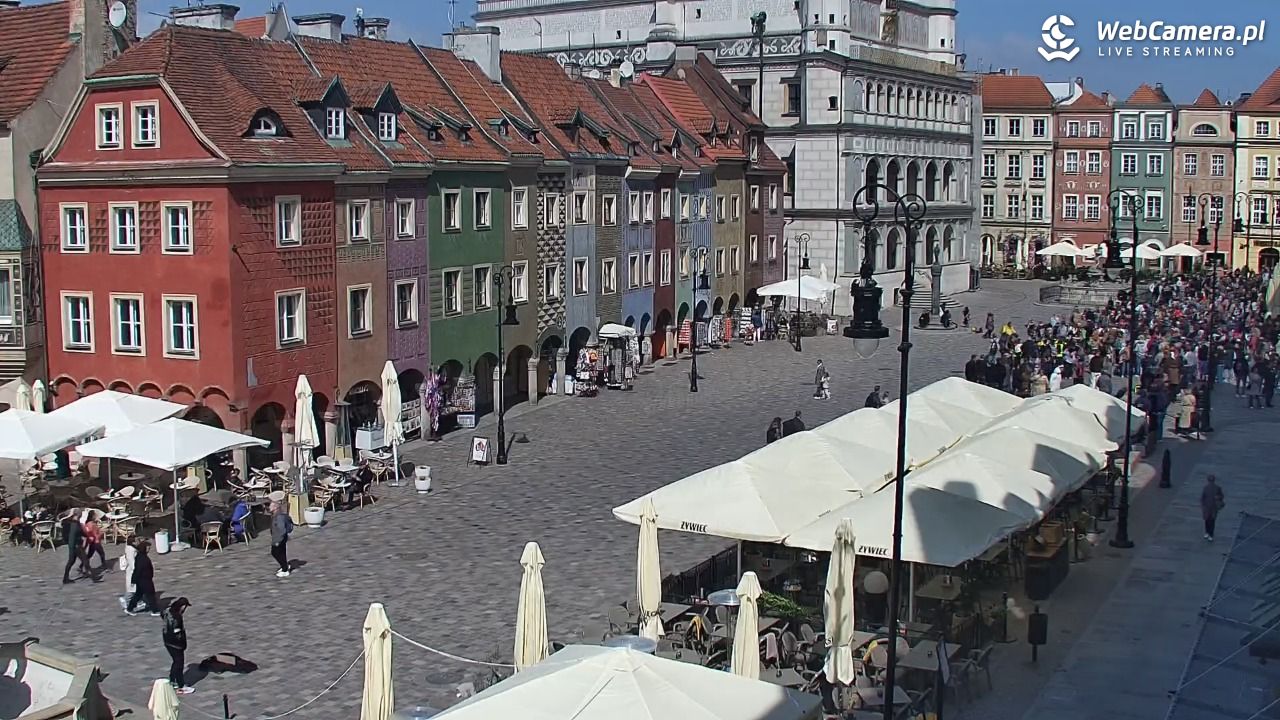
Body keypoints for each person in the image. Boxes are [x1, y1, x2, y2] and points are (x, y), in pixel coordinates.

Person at [162, 597, 194, 694]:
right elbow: (177, 633)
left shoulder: (167, 611)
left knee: (175, 662)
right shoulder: (177, 617)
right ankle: (181, 685)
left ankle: (172, 680)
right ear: (182, 607)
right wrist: (182, 644)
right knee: (179, 664)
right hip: (176, 644)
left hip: (167, 641)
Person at [126, 540, 159, 616]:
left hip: (143, 579)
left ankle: (129, 608)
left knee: (138, 595)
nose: (149, 549)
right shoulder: (141, 558)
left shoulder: (141, 556)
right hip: (144, 580)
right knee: (150, 594)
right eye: (148, 548)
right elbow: (138, 570)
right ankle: (154, 610)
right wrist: (133, 580)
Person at [60, 510, 87, 584]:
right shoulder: (72, 524)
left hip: (74, 544)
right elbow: (75, 534)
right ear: (78, 515)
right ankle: (94, 578)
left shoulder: (74, 523)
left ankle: (65, 578)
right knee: (85, 560)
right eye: (80, 514)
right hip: (75, 545)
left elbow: (81, 533)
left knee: (72, 561)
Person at [269, 501, 294, 578]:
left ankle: (285, 569)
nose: (269, 507)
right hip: (279, 538)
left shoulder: (279, 517)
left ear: (275, 508)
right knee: (282, 553)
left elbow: (281, 529)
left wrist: (278, 541)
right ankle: (284, 566)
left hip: (279, 539)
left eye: (271, 506)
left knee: (275, 552)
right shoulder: (276, 515)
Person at [1201, 475, 1225, 542]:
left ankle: (1209, 533)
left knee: (1210, 521)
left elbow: (1221, 496)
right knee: (1209, 521)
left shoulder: (1215, 488)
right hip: (1210, 507)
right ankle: (1208, 533)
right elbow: (1203, 498)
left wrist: (1203, 505)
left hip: (1211, 507)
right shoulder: (1207, 488)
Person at [117, 535, 137, 607]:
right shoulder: (131, 550)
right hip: (133, 572)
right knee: (132, 590)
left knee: (134, 589)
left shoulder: (129, 548)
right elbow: (132, 563)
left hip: (131, 572)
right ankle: (126, 601)